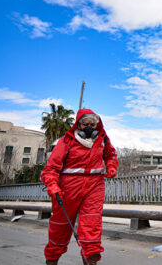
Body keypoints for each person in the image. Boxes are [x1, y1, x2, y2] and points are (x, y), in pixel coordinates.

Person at [41, 108, 118, 265]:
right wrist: (53, 186)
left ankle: (90, 257)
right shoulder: (66, 141)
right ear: (78, 124)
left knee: (92, 224)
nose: (89, 127)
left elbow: (111, 155)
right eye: (85, 124)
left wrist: (111, 166)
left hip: (94, 185)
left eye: (93, 124)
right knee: (60, 226)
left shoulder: (102, 139)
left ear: (97, 125)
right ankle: (52, 259)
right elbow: (50, 169)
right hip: (68, 187)